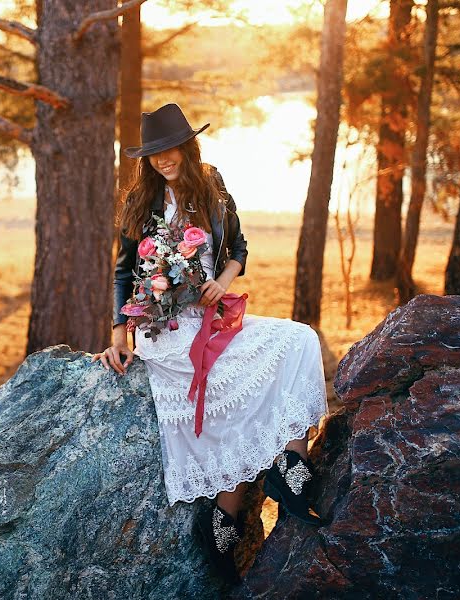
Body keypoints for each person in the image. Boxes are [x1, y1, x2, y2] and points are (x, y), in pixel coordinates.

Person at [92, 103, 329, 583]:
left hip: (210, 316)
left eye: (169, 149)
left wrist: (223, 279)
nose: (162, 161)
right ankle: (228, 515)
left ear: (187, 145)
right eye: (153, 154)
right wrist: (120, 332)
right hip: (164, 330)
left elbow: (238, 247)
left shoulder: (212, 185)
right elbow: (123, 272)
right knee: (232, 389)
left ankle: (289, 468)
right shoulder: (142, 200)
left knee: (298, 339)